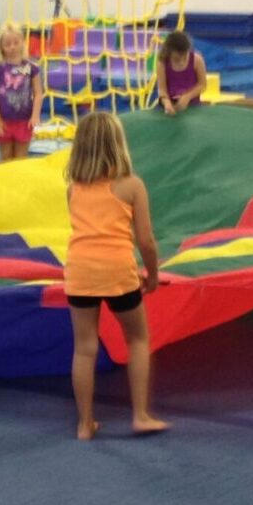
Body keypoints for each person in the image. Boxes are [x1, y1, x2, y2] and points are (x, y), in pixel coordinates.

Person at [64, 111, 169, 440]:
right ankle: (140, 415)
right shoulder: (131, 186)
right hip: (118, 272)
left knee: (84, 348)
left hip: (79, 271)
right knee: (137, 339)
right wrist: (152, 275)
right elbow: (147, 242)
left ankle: (84, 424)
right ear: (119, 146)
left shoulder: (73, 189)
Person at [0, 22, 43, 161]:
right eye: (8, 44)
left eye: (16, 42)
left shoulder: (31, 67)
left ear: (22, 42)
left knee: (20, 160)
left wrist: (35, 116)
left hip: (24, 120)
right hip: (4, 121)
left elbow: (38, 93)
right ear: (1, 47)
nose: (12, 47)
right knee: (5, 158)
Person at [156, 29, 207, 116]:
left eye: (184, 57)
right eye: (177, 58)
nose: (181, 61)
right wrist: (166, 102)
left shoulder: (196, 59)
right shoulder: (162, 62)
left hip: (192, 106)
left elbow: (202, 85)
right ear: (169, 52)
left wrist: (187, 97)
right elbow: (162, 89)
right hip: (170, 106)